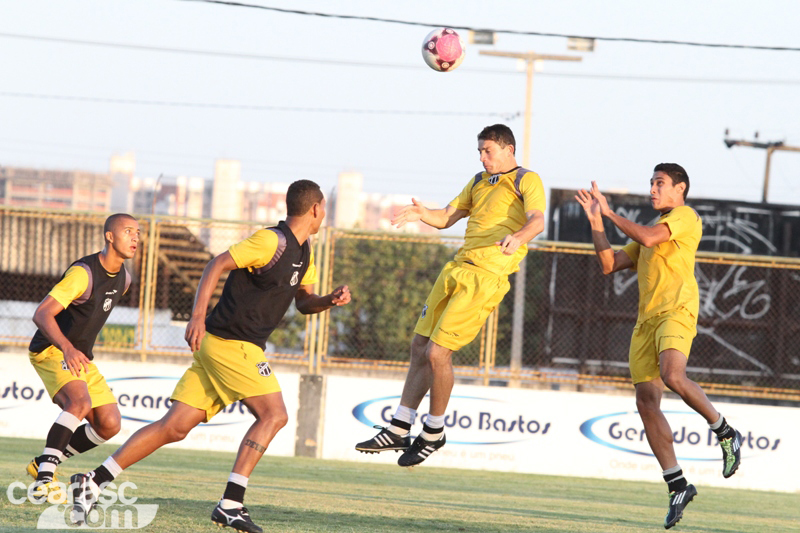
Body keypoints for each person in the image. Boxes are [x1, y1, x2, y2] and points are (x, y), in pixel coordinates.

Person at [71, 180, 351, 532]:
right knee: (274, 415)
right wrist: (198, 316)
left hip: (225, 346)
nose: (324, 214)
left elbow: (304, 301)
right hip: (233, 344)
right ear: (315, 208)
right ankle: (231, 503)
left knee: (173, 427)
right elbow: (216, 264)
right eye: (324, 208)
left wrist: (329, 299)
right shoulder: (271, 241)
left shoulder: (305, 250)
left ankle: (93, 480)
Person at [355, 124, 545, 467]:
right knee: (419, 347)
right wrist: (422, 214)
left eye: (488, 151)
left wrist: (519, 237)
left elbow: (537, 220)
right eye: (480, 152)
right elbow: (445, 217)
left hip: (486, 277)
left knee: (437, 354)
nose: (483, 157)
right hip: (456, 269)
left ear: (508, 149)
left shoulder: (525, 180)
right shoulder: (477, 181)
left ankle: (433, 431)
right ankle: (399, 427)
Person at [575, 164, 743, 529]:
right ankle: (677, 484)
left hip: (676, 312)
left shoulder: (685, 216)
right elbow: (609, 264)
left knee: (672, 375)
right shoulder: (647, 232)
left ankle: (724, 430)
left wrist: (610, 211)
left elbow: (652, 238)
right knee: (646, 403)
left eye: (660, 183)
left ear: (679, 189)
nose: (653, 189)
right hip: (646, 322)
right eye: (651, 183)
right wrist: (596, 222)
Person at [26, 213, 139, 499]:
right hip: (52, 349)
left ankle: (44, 462)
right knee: (79, 402)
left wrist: (77, 351)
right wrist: (67, 347)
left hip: (80, 356)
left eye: (138, 233)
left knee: (109, 423)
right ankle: (44, 480)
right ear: (109, 236)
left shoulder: (125, 278)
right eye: (128, 231)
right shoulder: (83, 273)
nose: (136, 238)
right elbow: (42, 313)